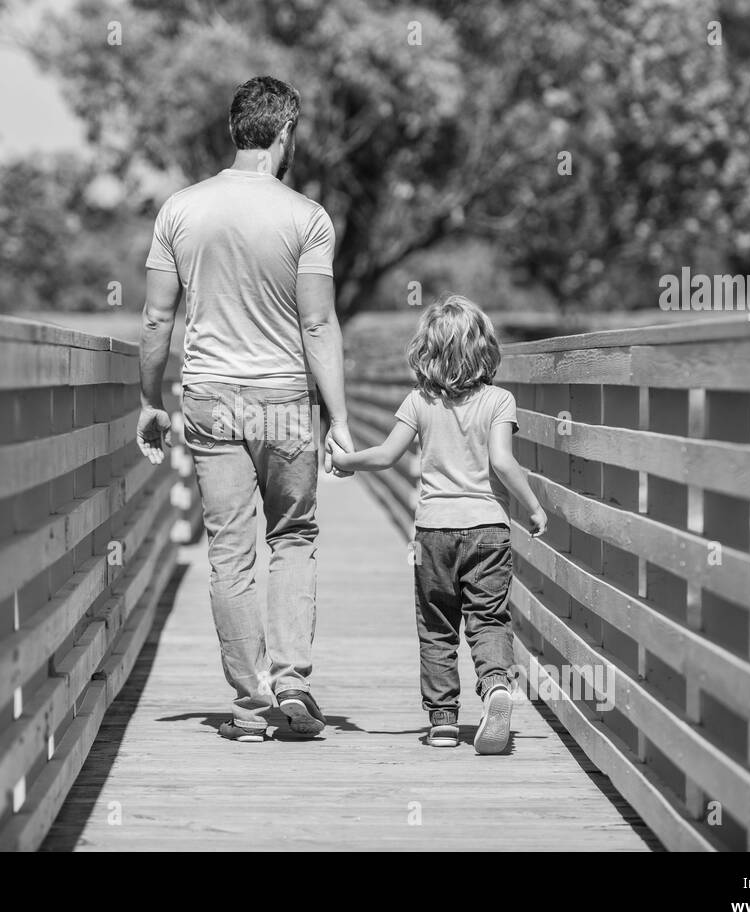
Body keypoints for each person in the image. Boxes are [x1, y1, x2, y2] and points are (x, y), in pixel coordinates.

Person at [136, 76, 354, 743]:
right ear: (285, 133)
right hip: (286, 400)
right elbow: (318, 326)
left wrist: (149, 399)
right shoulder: (307, 217)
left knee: (230, 551)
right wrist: (340, 418)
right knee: (291, 538)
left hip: (208, 400)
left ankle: (251, 706)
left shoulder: (179, 209)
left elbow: (155, 316)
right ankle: (292, 681)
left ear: (236, 131)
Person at [328, 295, 548, 752]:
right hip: (489, 527)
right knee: (488, 618)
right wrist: (533, 507)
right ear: (485, 348)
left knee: (437, 626)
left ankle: (444, 720)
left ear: (426, 351)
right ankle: (495, 685)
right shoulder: (499, 400)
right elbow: (503, 463)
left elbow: (387, 455)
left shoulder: (419, 401)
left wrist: (346, 460)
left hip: (433, 531)